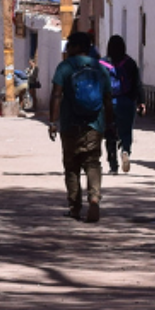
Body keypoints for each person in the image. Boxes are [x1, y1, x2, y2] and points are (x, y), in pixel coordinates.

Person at [47, 32, 108, 222]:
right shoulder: (100, 68)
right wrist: (111, 123)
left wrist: (52, 121)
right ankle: (95, 198)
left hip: (70, 124)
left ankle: (74, 207)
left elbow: (56, 95)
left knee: (72, 166)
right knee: (92, 163)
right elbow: (107, 99)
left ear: (74, 47)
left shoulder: (65, 67)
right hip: (94, 124)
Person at [103, 36, 142, 174]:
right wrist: (141, 101)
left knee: (109, 133)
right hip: (126, 102)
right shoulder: (130, 63)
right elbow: (137, 83)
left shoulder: (102, 63)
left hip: (107, 103)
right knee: (126, 131)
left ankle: (113, 165)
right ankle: (125, 150)